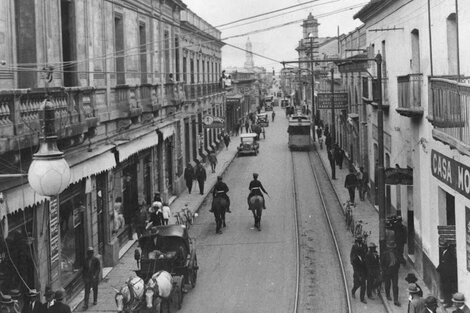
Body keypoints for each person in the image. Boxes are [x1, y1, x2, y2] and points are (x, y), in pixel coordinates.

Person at [437, 241, 457, 308]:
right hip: (444, 275)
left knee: (447, 289)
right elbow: (442, 263)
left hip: (447, 276)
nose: (441, 248)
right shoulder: (444, 252)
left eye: (442, 247)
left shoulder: (448, 254)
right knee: (444, 288)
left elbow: (447, 265)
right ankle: (446, 300)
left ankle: (449, 302)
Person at [381, 241, 401, 307]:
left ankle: (396, 300)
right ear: (388, 248)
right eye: (390, 248)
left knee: (395, 285)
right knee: (388, 284)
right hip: (388, 271)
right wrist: (385, 270)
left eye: (392, 248)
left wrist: (397, 268)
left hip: (395, 271)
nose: (391, 249)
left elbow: (398, 261)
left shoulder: (396, 253)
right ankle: (388, 295)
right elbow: (382, 264)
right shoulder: (385, 254)